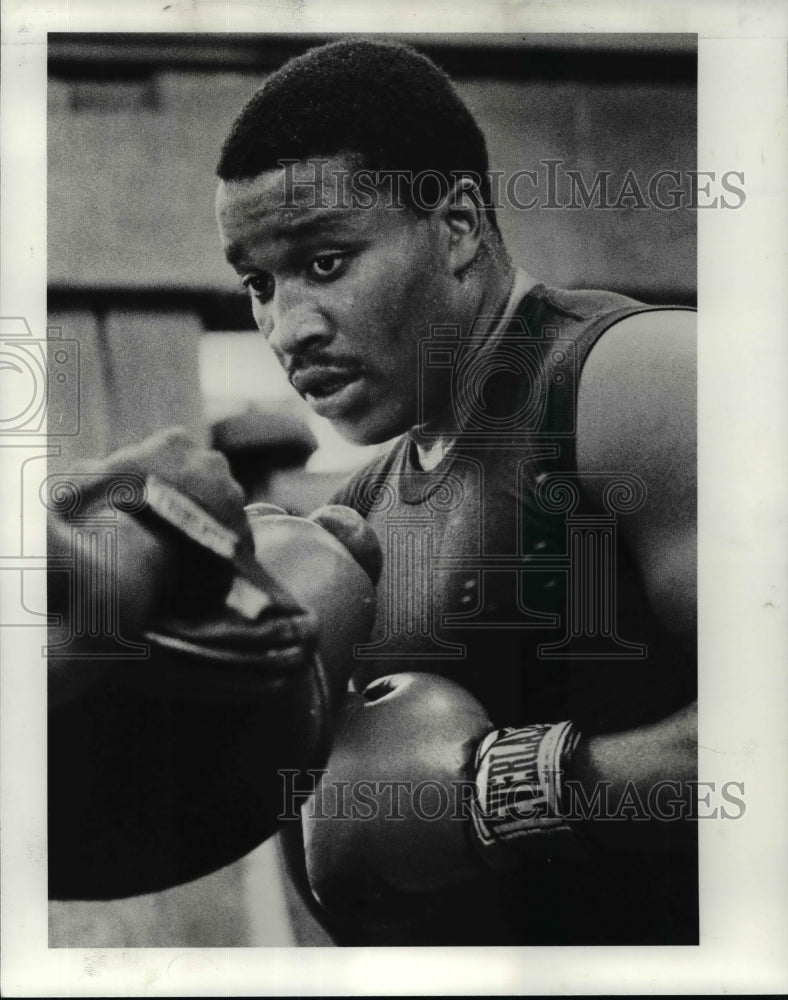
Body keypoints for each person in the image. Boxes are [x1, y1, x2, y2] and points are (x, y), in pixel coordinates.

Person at [215, 38, 698, 946]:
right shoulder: (354, 518)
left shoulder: (636, 379)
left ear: (458, 225)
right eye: (258, 283)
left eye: (324, 263)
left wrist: (505, 792)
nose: (288, 328)